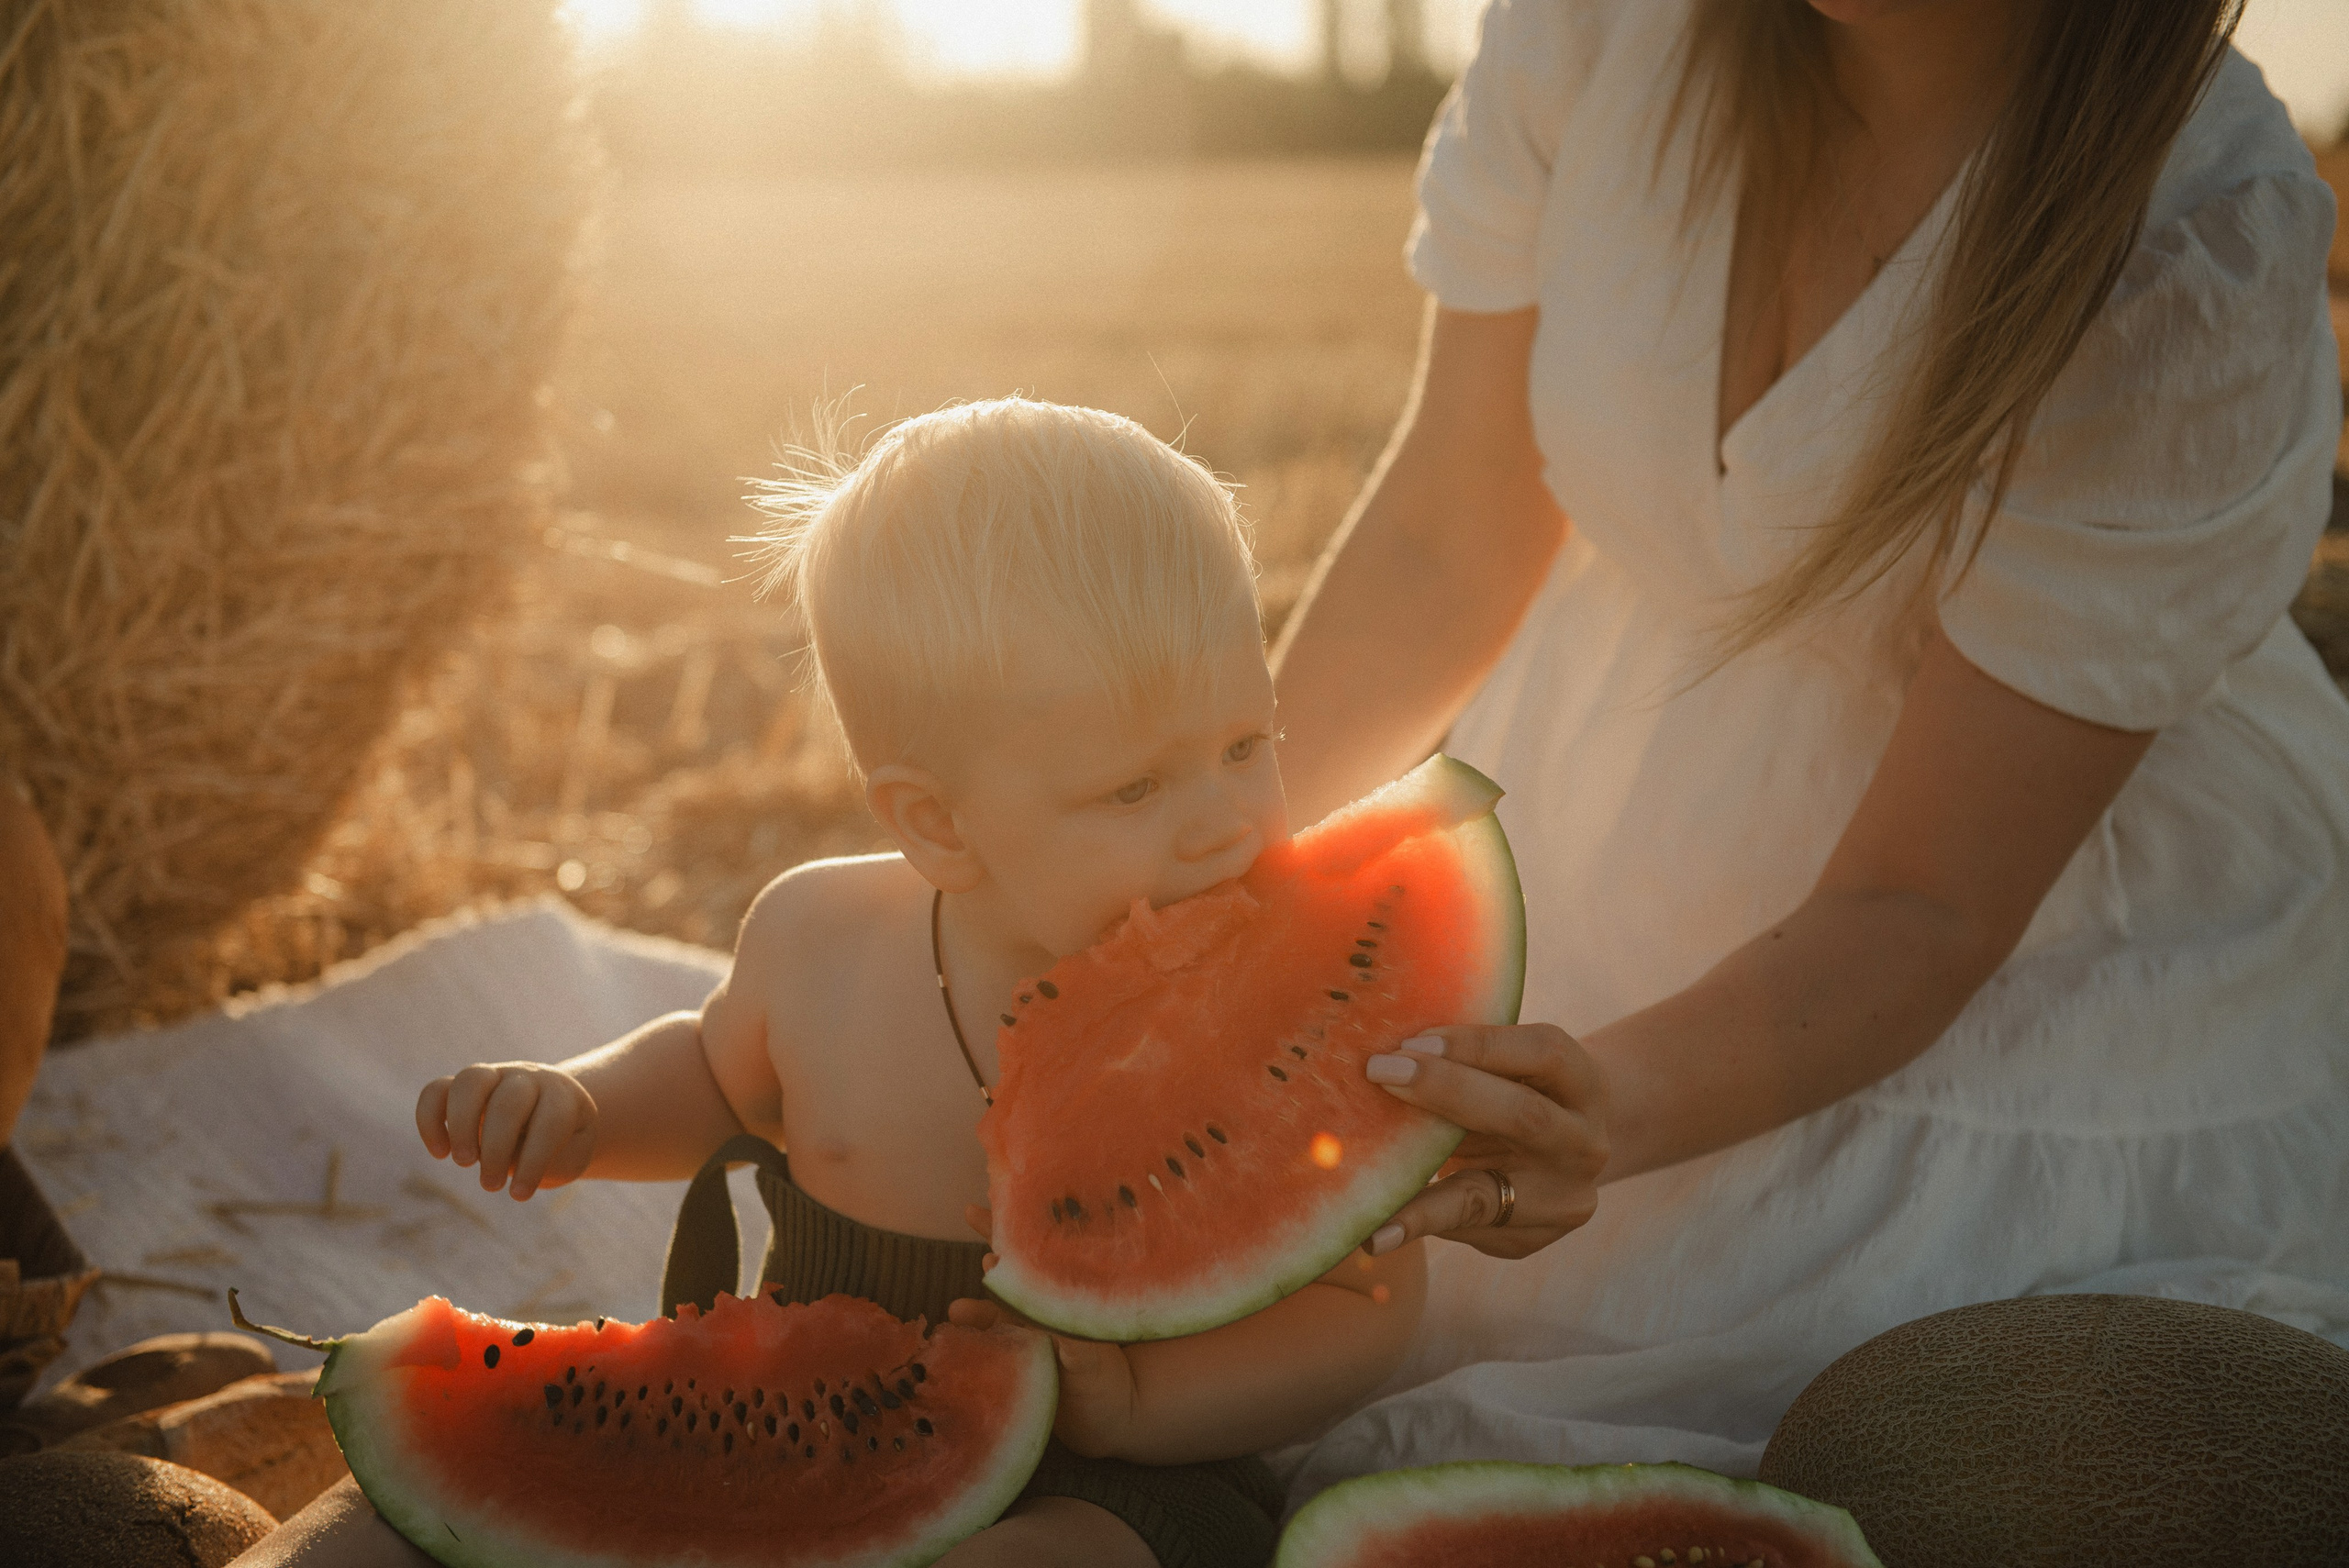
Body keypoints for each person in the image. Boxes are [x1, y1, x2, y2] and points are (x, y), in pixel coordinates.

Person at [1270, 0, 2349, 1499]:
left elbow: (1919, 904)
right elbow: (1452, 542)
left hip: (2046, 973)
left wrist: (1605, 1105)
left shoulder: (2195, 233)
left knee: (1882, 1454)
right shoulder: (1592, 32)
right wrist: (1199, 873)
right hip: (1604, 822)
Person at [240, 397, 1496, 1568]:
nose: (1224, 820)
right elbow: (716, 1075)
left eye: (1244, 744)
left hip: (1114, 1480)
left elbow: (1365, 1301)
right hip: (781, 1424)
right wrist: (579, 1106)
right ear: (937, 825)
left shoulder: (1273, 1001)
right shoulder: (821, 939)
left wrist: (1144, 1402)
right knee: (382, 1516)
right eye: (1135, 787)